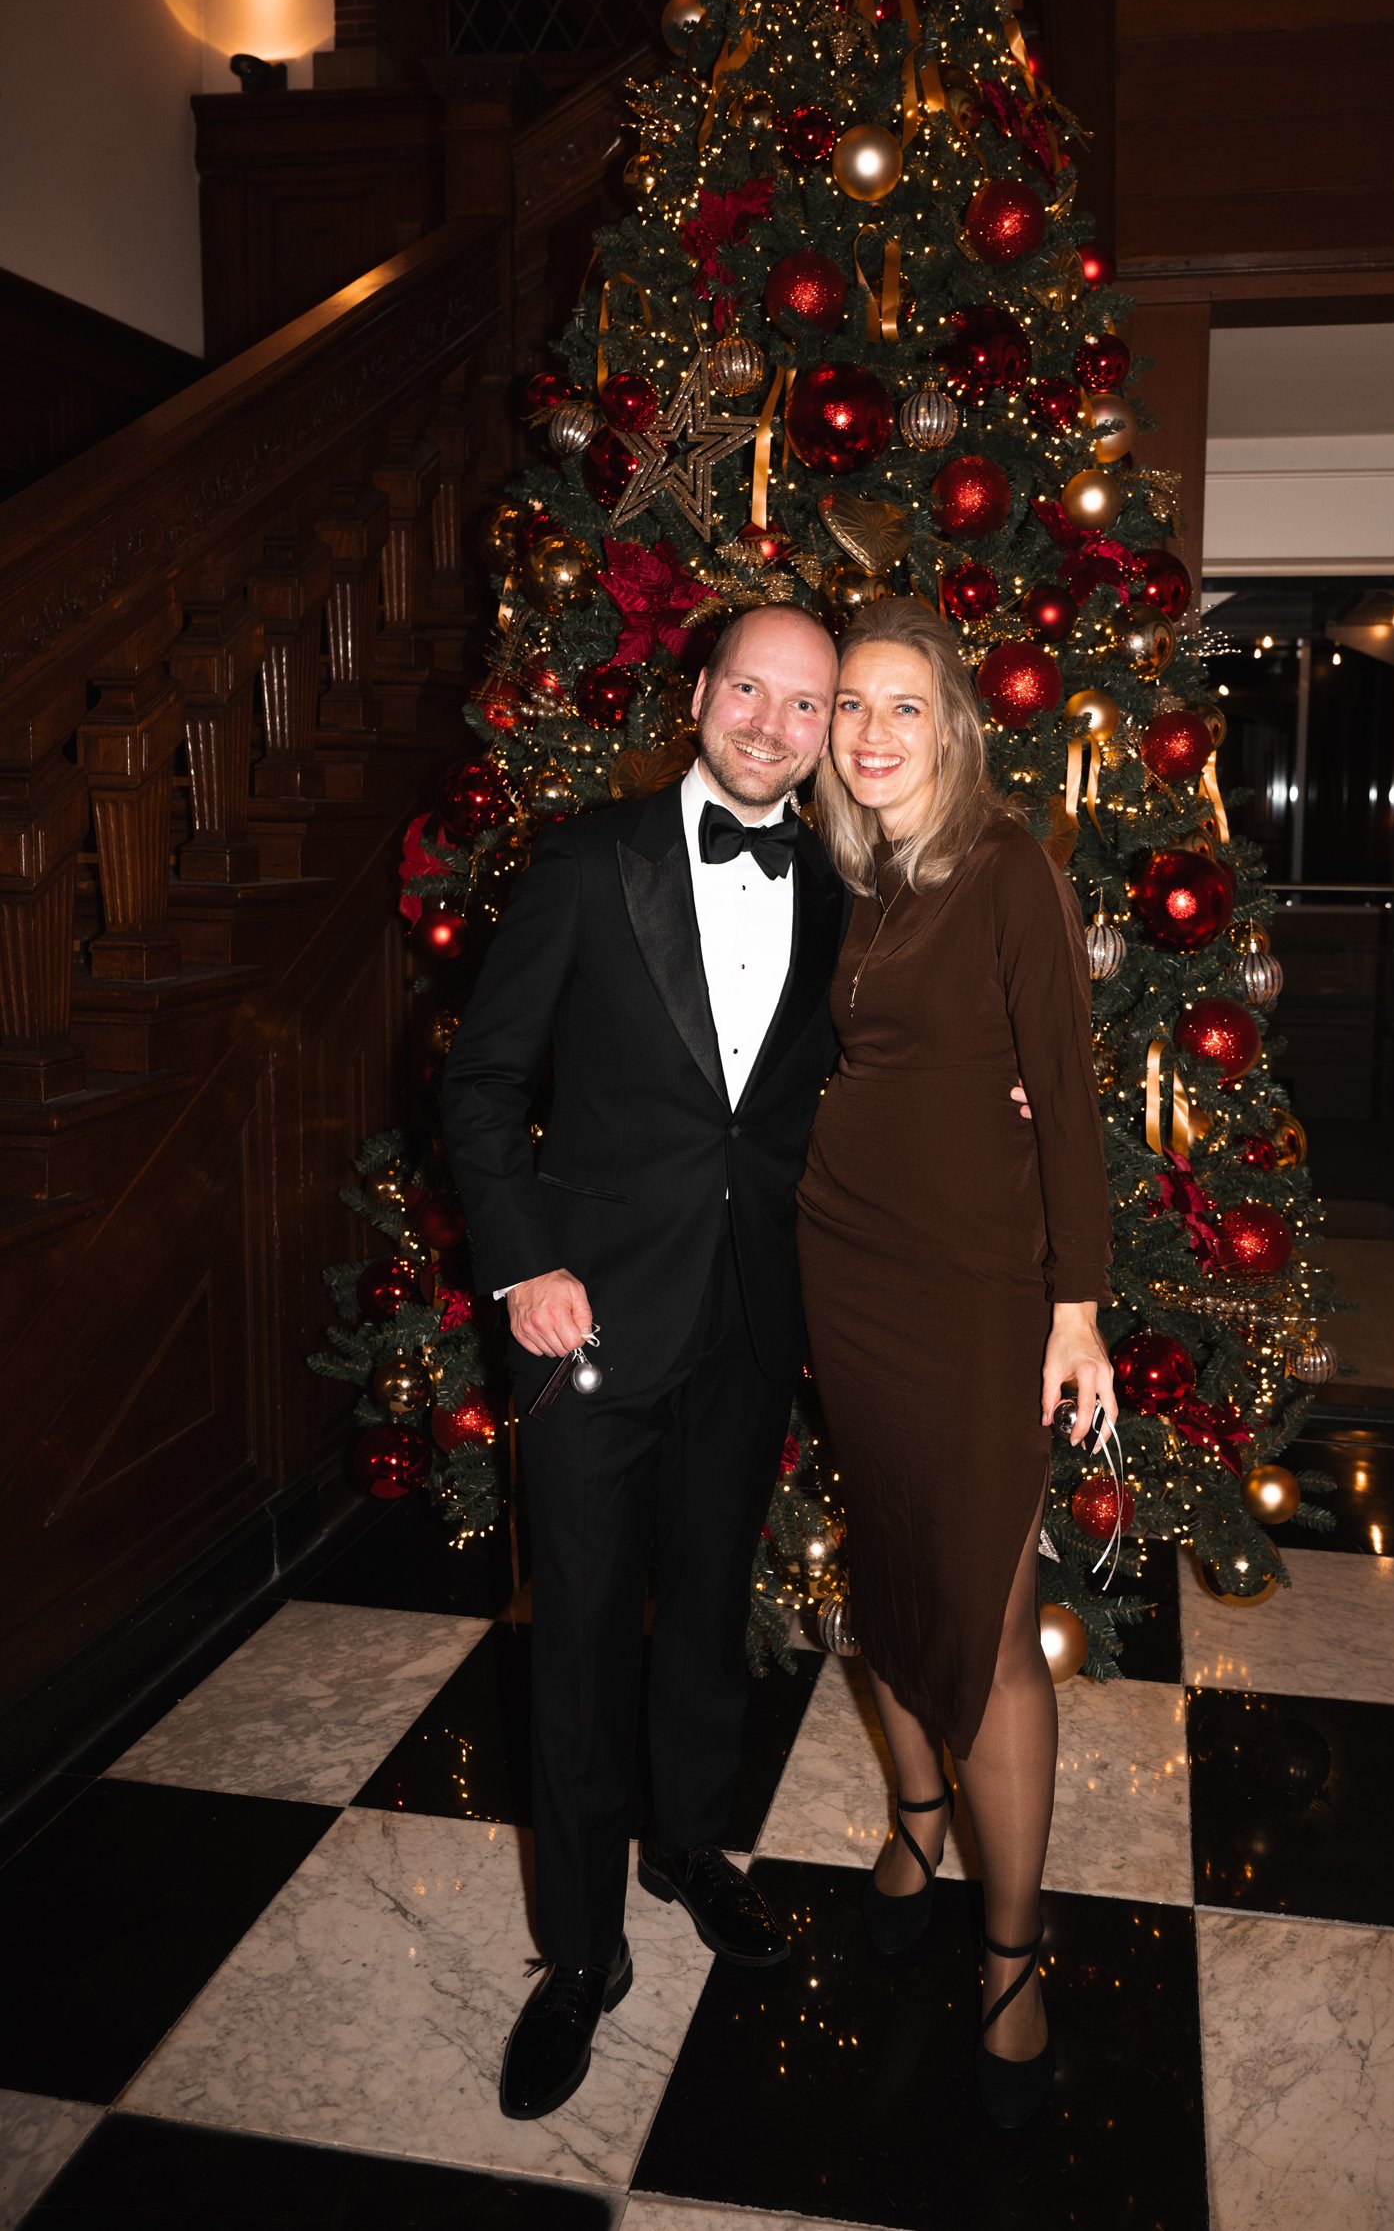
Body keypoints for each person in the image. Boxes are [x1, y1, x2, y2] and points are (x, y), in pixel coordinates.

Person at [442, 602, 847, 2121]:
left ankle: (689, 1847)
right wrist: (524, 1259)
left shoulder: (844, 891)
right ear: (699, 695)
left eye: (803, 704)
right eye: (748, 687)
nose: (770, 722)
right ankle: (580, 1954)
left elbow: (832, 1101)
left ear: (825, 735)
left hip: (752, 1314)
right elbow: (481, 1082)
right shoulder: (585, 862)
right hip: (589, 1324)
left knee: (710, 1621)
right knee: (585, 1635)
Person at [796, 596, 1115, 2131]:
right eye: (850, 703)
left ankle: (1009, 1950)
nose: (868, 731)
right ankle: (918, 1819)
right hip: (845, 1274)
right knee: (888, 1569)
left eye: (901, 705)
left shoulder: (1006, 873)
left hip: (986, 1297)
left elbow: (1064, 1090)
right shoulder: (842, 878)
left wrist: (1078, 1306)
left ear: (956, 727)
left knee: (988, 1618)